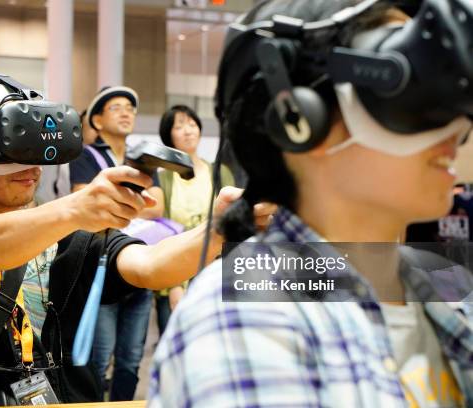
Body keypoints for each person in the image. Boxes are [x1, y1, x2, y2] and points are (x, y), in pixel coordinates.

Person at [149, 0, 473, 407]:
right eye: (402, 91)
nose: (448, 119)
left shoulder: (447, 280)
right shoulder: (249, 316)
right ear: (298, 118)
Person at [0, 75, 271, 406]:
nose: (28, 166)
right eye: (7, 150)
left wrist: (221, 229)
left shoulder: (65, 231)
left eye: (35, 149)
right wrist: (76, 209)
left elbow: (151, 265)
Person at [69, 86, 163, 400]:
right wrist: (136, 202)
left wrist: (117, 204)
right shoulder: (85, 154)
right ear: (96, 120)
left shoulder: (145, 156)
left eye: (130, 108)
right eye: (116, 107)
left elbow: (159, 206)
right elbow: (88, 205)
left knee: (131, 359)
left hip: (141, 263)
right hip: (101, 267)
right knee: (98, 356)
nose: (126, 112)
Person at [154, 105, 237, 335]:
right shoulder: (163, 179)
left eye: (192, 124)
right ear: (168, 134)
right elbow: (162, 230)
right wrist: (174, 285)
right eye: (179, 126)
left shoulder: (221, 173)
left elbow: (232, 226)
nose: (188, 131)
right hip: (175, 270)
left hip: (215, 271)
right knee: (174, 339)